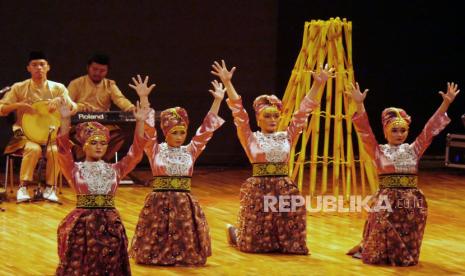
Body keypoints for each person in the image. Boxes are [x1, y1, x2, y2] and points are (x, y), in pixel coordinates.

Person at [211, 60, 333, 254]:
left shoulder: (287, 135)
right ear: (258, 118)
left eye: (276, 116)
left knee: (293, 246)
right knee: (253, 246)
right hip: (259, 189)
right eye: (267, 116)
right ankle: (237, 233)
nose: (273, 120)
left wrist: (318, 84)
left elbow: (303, 111)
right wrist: (228, 83)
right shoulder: (250, 137)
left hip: (284, 189)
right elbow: (239, 113)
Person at [345, 82, 459, 266]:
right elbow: (364, 131)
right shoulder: (378, 151)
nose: (399, 134)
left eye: (403, 130)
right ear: (386, 131)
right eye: (394, 130)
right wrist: (359, 104)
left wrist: (446, 104)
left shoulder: (414, 149)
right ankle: (366, 245)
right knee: (379, 243)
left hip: (411, 203)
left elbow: (430, 130)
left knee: (407, 248)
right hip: (387, 202)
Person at [129, 75, 225, 266]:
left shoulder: (190, 150)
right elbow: (148, 130)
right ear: (166, 132)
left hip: (183, 203)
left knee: (186, 243)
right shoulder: (155, 149)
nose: (180, 136)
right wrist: (145, 98)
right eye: (175, 132)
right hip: (159, 202)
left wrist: (217, 100)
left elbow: (206, 130)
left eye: (182, 132)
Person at [55, 93, 150, 275]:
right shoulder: (74, 169)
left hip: (110, 224)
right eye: (94, 142)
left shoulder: (115, 169)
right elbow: (63, 148)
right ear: (84, 146)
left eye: (103, 143)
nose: (99, 146)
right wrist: (65, 120)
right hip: (82, 225)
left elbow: (136, 153)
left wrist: (140, 122)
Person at [0, 51, 77, 202]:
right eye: (34, 65)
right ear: (28, 68)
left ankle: (50, 188)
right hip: (25, 134)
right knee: (33, 149)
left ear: (48, 67)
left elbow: (74, 107)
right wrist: (19, 105)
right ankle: (23, 187)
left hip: (51, 133)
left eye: (42, 64)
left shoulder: (58, 88)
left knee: (55, 150)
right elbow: (1, 108)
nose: (39, 68)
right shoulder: (19, 87)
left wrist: (62, 102)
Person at [67, 53, 136, 161]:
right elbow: (67, 104)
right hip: (80, 125)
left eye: (102, 70)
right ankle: (83, 162)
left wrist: (130, 107)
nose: (98, 73)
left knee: (119, 136)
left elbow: (120, 99)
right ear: (88, 68)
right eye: (95, 69)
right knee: (82, 138)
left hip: (104, 125)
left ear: (107, 71)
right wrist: (80, 107)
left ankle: (103, 162)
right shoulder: (76, 84)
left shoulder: (109, 85)